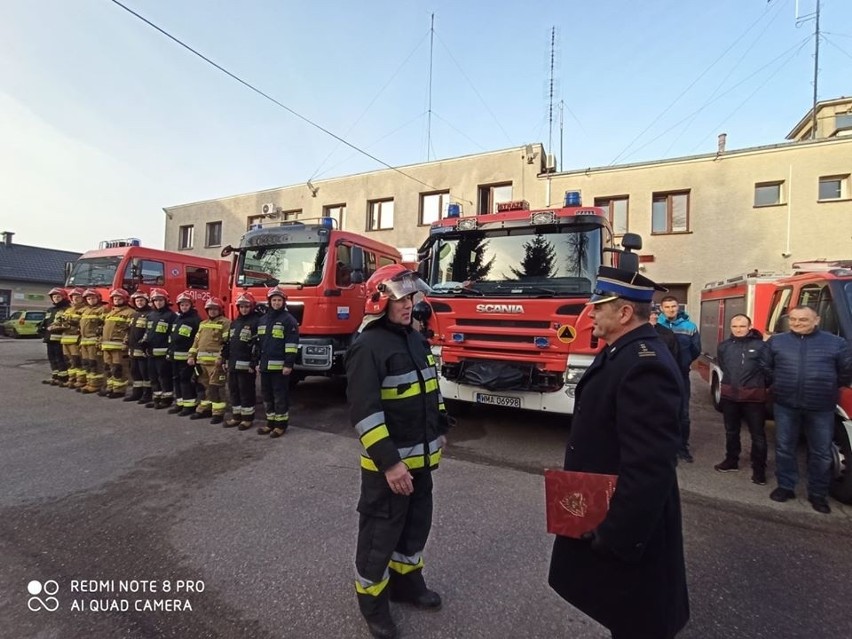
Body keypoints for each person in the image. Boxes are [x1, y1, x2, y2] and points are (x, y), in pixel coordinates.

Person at [548, 266, 689, 639]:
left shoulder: (644, 365)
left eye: (598, 305)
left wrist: (615, 536)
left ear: (624, 313)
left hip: (630, 527)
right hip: (613, 511)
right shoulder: (621, 351)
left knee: (639, 621)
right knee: (624, 616)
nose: (590, 313)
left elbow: (649, 468)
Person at [345, 264, 453, 639]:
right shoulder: (367, 346)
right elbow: (365, 413)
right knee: (380, 534)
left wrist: (440, 427)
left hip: (422, 461)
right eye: (399, 298)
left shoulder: (414, 339)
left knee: (415, 526)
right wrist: (390, 464)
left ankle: (407, 584)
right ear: (379, 302)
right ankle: (373, 604)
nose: (408, 305)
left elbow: (429, 389)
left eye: (410, 297)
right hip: (388, 467)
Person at [760, 305, 852, 514]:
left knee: (821, 452)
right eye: (793, 320)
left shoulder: (836, 343)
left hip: (821, 406)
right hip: (785, 404)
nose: (797, 324)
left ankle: (818, 494)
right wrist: (778, 382)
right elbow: (765, 366)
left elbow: (845, 372)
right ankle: (785, 487)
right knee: (785, 448)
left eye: (803, 320)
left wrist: (826, 386)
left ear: (817, 320)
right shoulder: (777, 342)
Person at [713, 314, 769, 484]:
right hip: (730, 396)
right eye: (735, 326)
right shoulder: (724, 346)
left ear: (749, 326)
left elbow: (769, 369)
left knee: (758, 435)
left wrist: (758, 384)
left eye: (742, 326)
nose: (738, 329)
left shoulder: (761, 347)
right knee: (731, 431)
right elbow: (723, 366)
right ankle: (731, 461)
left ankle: (759, 470)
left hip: (753, 398)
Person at [658, 295, 701, 463]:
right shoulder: (655, 326)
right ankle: (663, 448)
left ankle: (682, 447)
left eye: (673, 306)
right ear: (661, 308)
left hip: (681, 375)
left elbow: (696, 349)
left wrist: (684, 362)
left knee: (683, 413)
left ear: (678, 307)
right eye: (667, 307)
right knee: (661, 412)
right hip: (661, 376)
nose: (670, 310)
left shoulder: (689, 327)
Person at [257, 286, 299, 437]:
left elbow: (291, 345)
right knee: (267, 396)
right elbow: (258, 344)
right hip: (264, 366)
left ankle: (281, 425)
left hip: (280, 367)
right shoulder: (262, 320)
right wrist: (257, 363)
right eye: (273, 300)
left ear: (284, 302)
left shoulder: (289, 320)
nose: (276, 303)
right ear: (269, 302)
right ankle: (270, 423)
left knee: (280, 396)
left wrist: (288, 364)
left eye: (279, 300)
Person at [187, 297, 231, 424]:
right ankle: (205, 408)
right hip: (201, 362)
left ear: (220, 310)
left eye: (215, 309)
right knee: (203, 387)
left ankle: (218, 413)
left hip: (215, 363)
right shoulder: (203, 323)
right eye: (210, 309)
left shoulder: (225, 323)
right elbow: (196, 341)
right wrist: (191, 356)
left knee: (216, 388)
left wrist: (221, 358)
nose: (212, 311)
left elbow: (226, 343)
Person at [222, 292, 260, 430]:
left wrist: (253, 363)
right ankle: (236, 416)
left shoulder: (256, 322)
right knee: (234, 391)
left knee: (246, 391)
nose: (244, 309)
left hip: (246, 366)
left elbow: (257, 345)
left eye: (246, 306)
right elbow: (228, 343)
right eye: (241, 306)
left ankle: (247, 418)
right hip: (232, 364)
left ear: (251, 307)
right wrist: (224, 359)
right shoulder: (234, 323)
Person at [167, 291, 202, 417]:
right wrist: (169, 352)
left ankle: (189, 406)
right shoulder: (178, 319)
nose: (184, 307)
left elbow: (197, 340)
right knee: (176, 380)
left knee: (185, 380)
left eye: (186, 305)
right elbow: (172, 337)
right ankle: (180, 403)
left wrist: (192, 356)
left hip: (187, 357)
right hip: (175, 356)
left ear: (191, 305)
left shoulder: (195, 320)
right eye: (182, 305)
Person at [144, 288, 177, 410]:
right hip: (151, 352)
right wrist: (144, 341)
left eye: (160, 300)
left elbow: (173, 335)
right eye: (156, 300)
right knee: (153, 377)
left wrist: (170, 350)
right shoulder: (151, 315)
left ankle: (167, 399)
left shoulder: (171, 316)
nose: (158, 303)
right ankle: (156, 398)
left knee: (164, 376)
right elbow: (148, 331)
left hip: (163, 353)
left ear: (166, 301)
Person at [100, 288, 137, 398]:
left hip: (119, 347)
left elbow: (130, 331)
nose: (116, 300)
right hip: (106, 345)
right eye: (115, 298)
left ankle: (119, 390)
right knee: (108, 368)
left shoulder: (131, 313)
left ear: (125, 299)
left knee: (118, 368)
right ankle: (110, 388)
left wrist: (126, 343)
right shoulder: (110, 312)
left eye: (119, 298)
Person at [78, 289, 108, 394]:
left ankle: (96, 384)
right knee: (86, 363)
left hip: (94, 341)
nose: (91, 300)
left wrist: (100, 340)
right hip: (84, 341)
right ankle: (89, 382)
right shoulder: (85, 310)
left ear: (98, 298)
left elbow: (104, 325)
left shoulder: (102, 310)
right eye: (88, 298)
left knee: (95, 363)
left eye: (93, 298)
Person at [125, 291, 152, 404]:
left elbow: (149, 330)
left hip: (142, 349)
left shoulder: (150, 314)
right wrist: (125, 341)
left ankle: (147, 394)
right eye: (137, 301)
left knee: (144, 373)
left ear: (146, 301)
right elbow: (129, 330)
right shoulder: (134, 314)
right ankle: (136, 393)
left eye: (141, 300)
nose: (139, 303)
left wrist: (144, 342)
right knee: (135, 372)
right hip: (132, 349)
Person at [57, 287, 86, 388]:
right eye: (74, 297)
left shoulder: (85, 310)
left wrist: (67, 325)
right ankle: (71, 379)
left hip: (76, 339)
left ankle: (81, 380)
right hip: (65, 339)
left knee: (77, 361)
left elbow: (82, 325)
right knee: (69, 361)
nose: (76, 299)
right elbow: (61, 321)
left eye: (78, 297)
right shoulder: (68, 310)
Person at [41, 287, 71, 386]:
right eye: (54, 297)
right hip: (49, 338)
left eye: (58, 296)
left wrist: (56, 328)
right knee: (52, 358)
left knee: (60, 358)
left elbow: (66, 324)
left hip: (59, 338)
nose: (56, 298)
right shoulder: (51, 310)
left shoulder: (67, 309)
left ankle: (63, 378)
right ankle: (55, 376)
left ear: (63, 297)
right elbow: (46, 321)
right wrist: (41, 327)